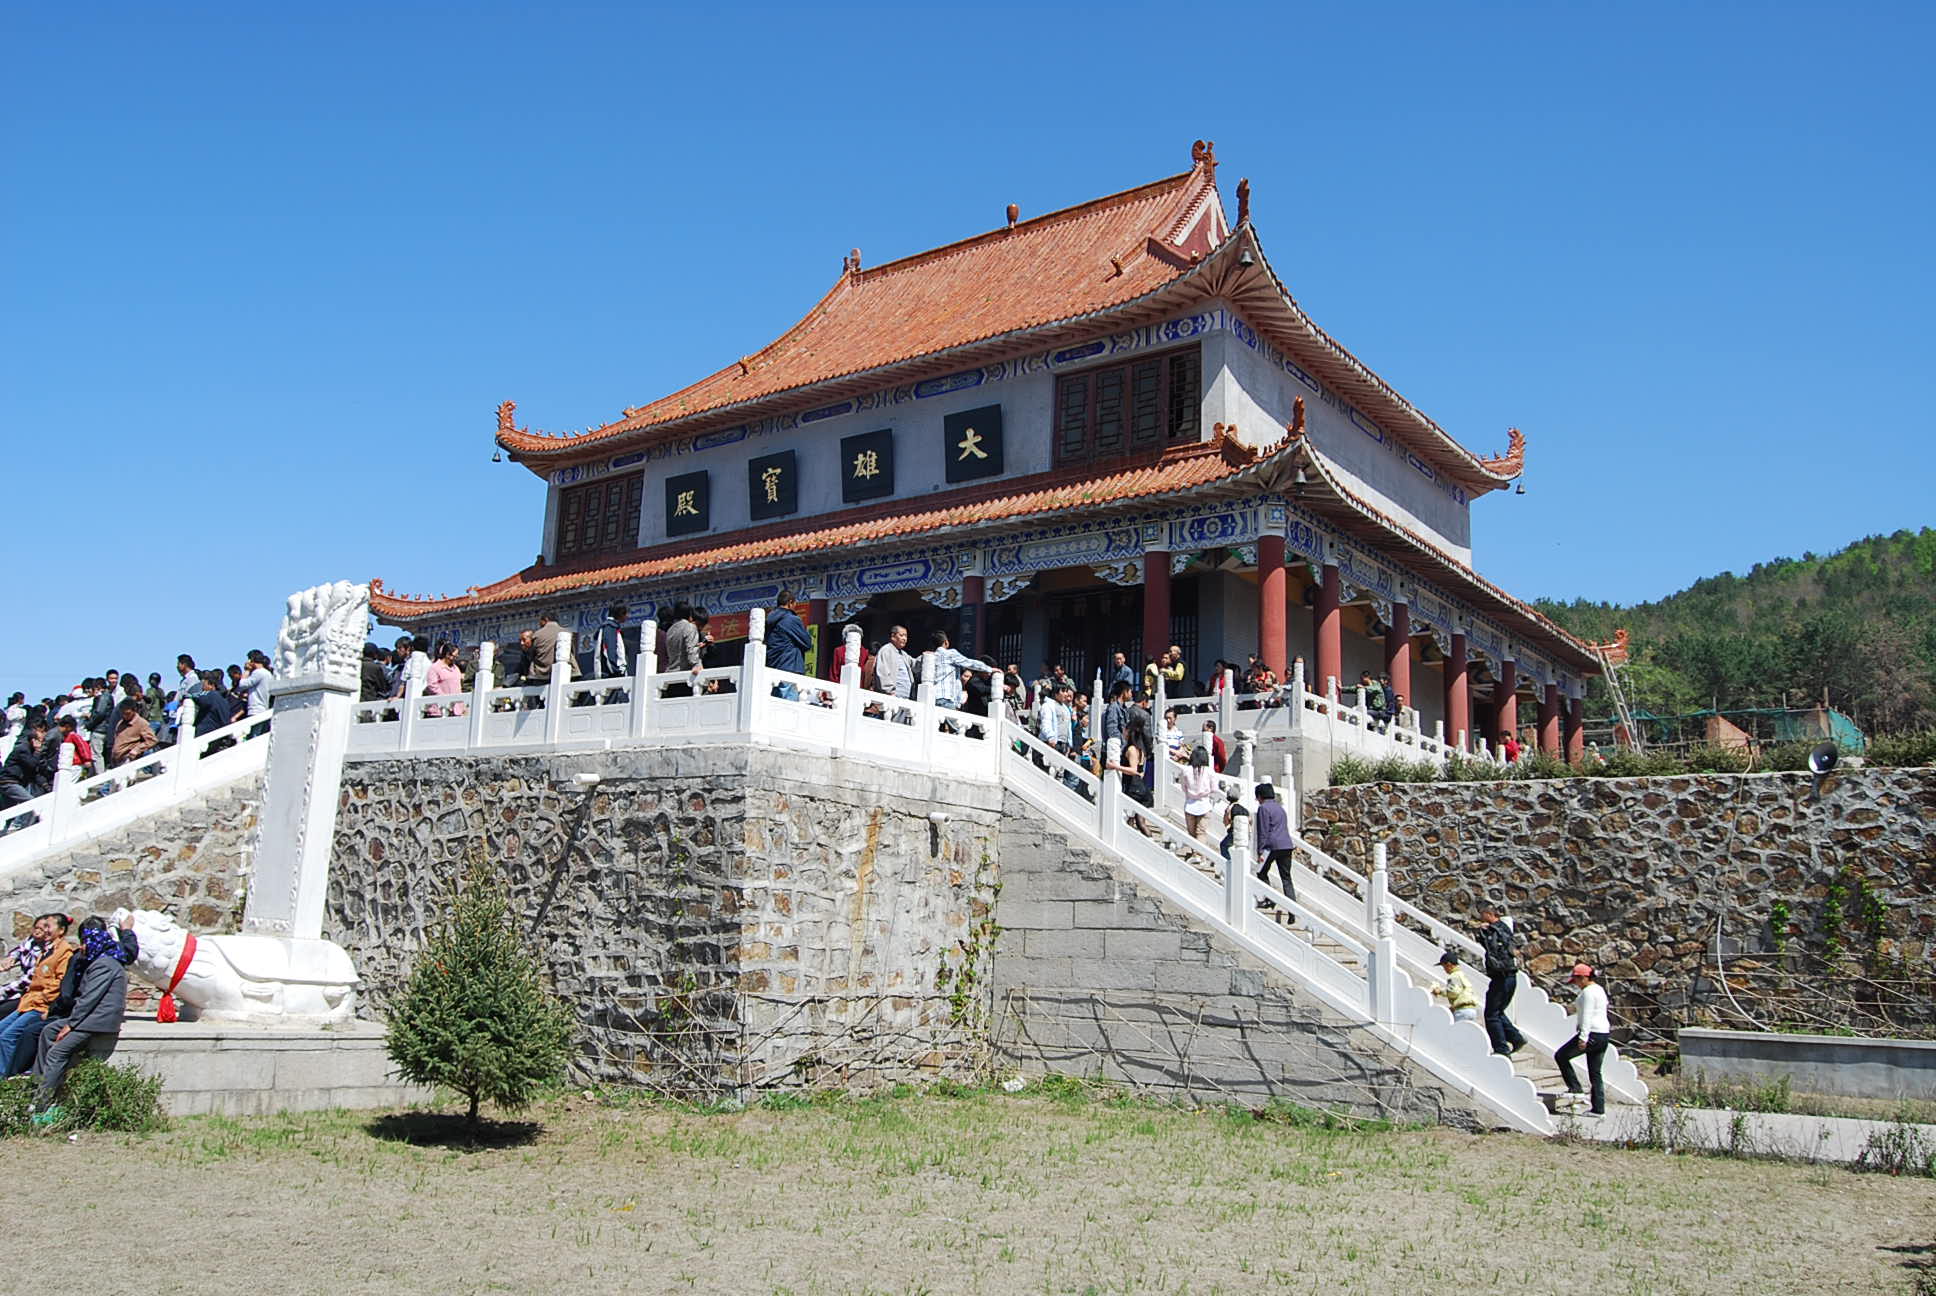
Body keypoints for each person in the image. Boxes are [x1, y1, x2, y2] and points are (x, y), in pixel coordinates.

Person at [30, 915, 133, 1121]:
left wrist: (71, 1024)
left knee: (57, 1052)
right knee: (47, 1032)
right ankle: (38, 1084)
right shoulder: (97, 961)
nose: (83, 948)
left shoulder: (104, 964)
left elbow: (89, 999)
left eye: (86, 943)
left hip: (97, 1021)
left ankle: (42, 1103)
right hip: (88, 1018)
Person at [0, 913, 72, 1075]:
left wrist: (46, 999)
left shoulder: (63, 952)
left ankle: (5, 1078)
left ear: (61, 931)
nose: (44, 931)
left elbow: (58, 982)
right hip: (29, 1001)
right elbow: (19, 952)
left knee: (8, 1037)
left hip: (39, 1006)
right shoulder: (44, 950)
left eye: (48, 927)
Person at [1555, 962, 1611, 1116]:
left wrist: (1583, 1037)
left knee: (1561, 1056)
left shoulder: (1588, 993)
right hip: (1603, 1034)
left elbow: (1587, 1015)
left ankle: (1575, 1088)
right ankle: (1598, 1109)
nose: (1577, 985)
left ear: (1585, 978)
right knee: (1595, 1073)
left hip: (1591, 1033)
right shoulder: (1599, 990)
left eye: (1577, 981)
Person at [1479, 904, 1527, 1056]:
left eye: (1482, 914)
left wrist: (1483, 932)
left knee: (1491, 1014)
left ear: (1488, 914)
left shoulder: (1492, 930)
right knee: (1498, 1011)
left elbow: (1491, 949)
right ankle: (1515, 1037)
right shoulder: (1506, 928)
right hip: (1511, 976)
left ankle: (1501, 1048)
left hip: (1500, 976)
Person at [925, 631, 995, 728]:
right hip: (946, 698)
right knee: (957, 729)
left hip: (932, 697)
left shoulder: (930, 656)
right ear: (946, 642)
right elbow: (969, 662)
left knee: (936, 729)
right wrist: (990, 669)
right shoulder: (950, 654)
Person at [764, 594, 813, 699]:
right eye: (795, 603)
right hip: (789, 665)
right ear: (790, 603)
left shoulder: (769, 620)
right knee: (788, 705)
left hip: (773, 666)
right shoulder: (791, 619)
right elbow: (807, 643)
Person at [0, 719, 55, 810]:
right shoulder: (23, 749)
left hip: (16, 782)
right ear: (33, 740)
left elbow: (34, 771)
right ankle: (19, 825)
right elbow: (32, 765)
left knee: (8, 811)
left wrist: (45, 785)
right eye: (40, 740)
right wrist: (38, 751)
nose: (42, 743)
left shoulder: (30, 750)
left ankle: (10, 824)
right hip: (9, 782)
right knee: (31, 803)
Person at [1253, 782, 1295, 904]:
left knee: (1261, 872)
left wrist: (1260, 851)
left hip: (1272, 847)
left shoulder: (1263, 808)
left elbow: (1263, 831)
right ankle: (1292, 911)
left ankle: (1269, 899)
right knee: (1286, 878)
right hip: (1286, 845)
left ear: (1260, 796)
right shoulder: (1280, 808)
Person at [661, 605, 707, 698]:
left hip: (671, 676)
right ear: (690, 615)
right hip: (686, 676)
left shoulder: (671, 629)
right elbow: (691, 652)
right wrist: (696, 665)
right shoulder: (690, 627)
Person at [1179, 743, 1220, 843]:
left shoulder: (1186, 770)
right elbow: (1214, 789)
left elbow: (1183, 787)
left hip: (1189, 804)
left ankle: (1195, 853)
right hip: (1204, 804)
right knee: (1201, 832)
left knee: (1191, 832)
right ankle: (1199, 855)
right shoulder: (1210, 771)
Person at [1433, 950, 1480, 1023]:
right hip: (1471, 1010)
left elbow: (1454, 991)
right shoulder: (1461, 974)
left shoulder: (1454, 976)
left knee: (1454, 1031)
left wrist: (1440, 991)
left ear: (1449, 965)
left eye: (1444, 966)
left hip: (1462, 1010)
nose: (1444, 969)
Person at [108, 699, 158, 767]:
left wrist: (137, 749)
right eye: (123, 713)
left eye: (127, 713)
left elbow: (152, 740)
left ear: (134, 710)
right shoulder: (121, 723)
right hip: (116, 760)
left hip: (128, 760)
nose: (125, 716)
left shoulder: (141, 723)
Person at [529, 613, 576, 681]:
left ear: (546, 620)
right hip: (565, 672)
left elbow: (532, 654)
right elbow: (572, 652)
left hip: (540, 674)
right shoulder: (566, 632)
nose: (540, 625)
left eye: (540, 622)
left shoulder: (537, 634)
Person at [425, 640, 465, 717]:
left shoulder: (455, 668)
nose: (456, 658)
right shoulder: (435, 667)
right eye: (454, 656)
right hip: (439, 709)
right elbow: (432, 686)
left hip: (456, 709)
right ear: (447, 655)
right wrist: (445, 698)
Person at [593, 604, 631, 681]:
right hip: (610, 675)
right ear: (621, 613)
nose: (628, 616)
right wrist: (618, 670)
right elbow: (608, 651)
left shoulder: (613, 628)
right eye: (627, 613)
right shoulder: (609, 628)